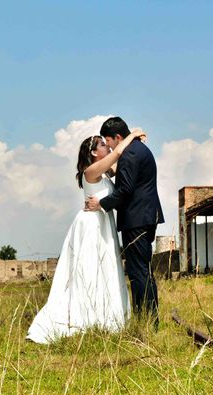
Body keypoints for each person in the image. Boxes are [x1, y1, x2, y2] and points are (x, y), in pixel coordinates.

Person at [26, 129, 144, 344]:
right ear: (93, 152)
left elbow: (123, 163)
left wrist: (134, 146)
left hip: (102, 222)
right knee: (90, 268)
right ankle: (83, 315)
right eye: (101, 145)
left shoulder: (106, 171)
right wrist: (132, 135)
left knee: (105, 268)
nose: (106, 146)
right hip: (91, 224)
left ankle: (105, 315)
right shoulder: (91, 171)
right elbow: (118, 152)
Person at [85, 117, 164, 327]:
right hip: (145, 217)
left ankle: (145, 321)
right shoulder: (139, 150)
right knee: (144, 271)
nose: (109, 147)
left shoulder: (129, 154)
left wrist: (101, 203)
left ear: (118, 137)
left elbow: (125, 190)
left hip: (135, 220)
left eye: (109, 141)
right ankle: (151, 320)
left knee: (138, 274)